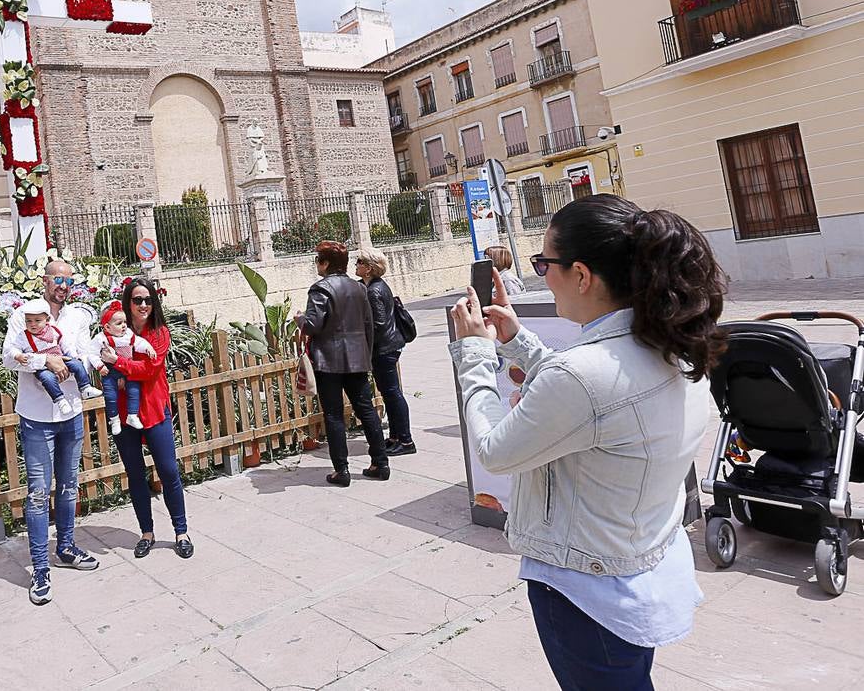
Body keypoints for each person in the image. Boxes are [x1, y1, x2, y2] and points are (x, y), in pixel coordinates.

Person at [449, 194, 725, 689]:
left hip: (586, 591)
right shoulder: (673, 342)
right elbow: (594, 401)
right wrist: (517, 341)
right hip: (641, 567)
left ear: (581, 275)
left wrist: (473, 352)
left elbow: (494, 448)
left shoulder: (582, 374)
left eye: (544, 263)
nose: (541, 275)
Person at [2, 260, 103, 606]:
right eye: (56, 279)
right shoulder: (24, 315)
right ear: (44, 280)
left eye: (68, 279)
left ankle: (66, 547)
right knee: (37, 492)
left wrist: (97, 358)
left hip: (71, 410)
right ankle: (40, 568)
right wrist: (45, 361)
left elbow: (85, 355)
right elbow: (8, 358)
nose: (62, 284)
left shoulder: (76, 316)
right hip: (36, 416)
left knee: (69, 485)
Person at [100, 277, 194, 559]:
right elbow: (101, 363)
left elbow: (149, 370)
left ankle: (181, 531)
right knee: (136, 475)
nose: (143, 305)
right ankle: (147, 533)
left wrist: (118, 363)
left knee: (168, 471)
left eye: (148, 300)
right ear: (128, 303)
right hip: (125, 413)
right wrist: (114, 368)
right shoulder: (113, 333)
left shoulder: (159, 333)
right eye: (137, 300)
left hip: (154, 409)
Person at [296, 241, 390, 486]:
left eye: (318, 259)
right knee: (366, 410)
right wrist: (366, 355)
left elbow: (312, 325)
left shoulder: (320, 289)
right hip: (357, 358)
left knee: (334, 415)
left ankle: (342, 469)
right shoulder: (359, 288)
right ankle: (380, 463)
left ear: (325, 263)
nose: (316, 264)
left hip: (329, 362)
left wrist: (300, 320)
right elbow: (369, 326)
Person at [355, 248, 416, 456]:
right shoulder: (374, 286)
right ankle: (396, 436)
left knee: (392, 393)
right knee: (390, 394)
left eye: (359, 262)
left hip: (384, 348)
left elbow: (379, 323)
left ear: (369, 268)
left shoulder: (373, 290)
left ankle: (406, 441)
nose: (356, 265)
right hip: (388, 346)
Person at [5, 297, 96, 415]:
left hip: (73, 407)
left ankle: (85, 388)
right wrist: (40, 359)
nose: (33, 324)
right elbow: (9, 354)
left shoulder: (63, 324)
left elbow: (67, 345)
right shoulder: (22, 333)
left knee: (77, 364)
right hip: (36, 411)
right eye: (29, 321)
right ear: (45, 280)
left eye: (37, 320)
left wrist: (73, 357)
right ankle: (59, 400)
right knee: (47, 378)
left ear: (46, 320)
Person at [97, 299, 154, 435]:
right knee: (110, 395)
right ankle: (114, 419)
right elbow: (91, 353)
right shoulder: (103, 339)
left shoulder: (128, 335)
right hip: (111, 372)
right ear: (107, 327)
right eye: (119, 323)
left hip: (127, 370)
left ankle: (132, 415)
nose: (123, 326)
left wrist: (149, 348)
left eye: (124, 322)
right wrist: (99, 366)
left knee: (134, 390)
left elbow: (139, 343)